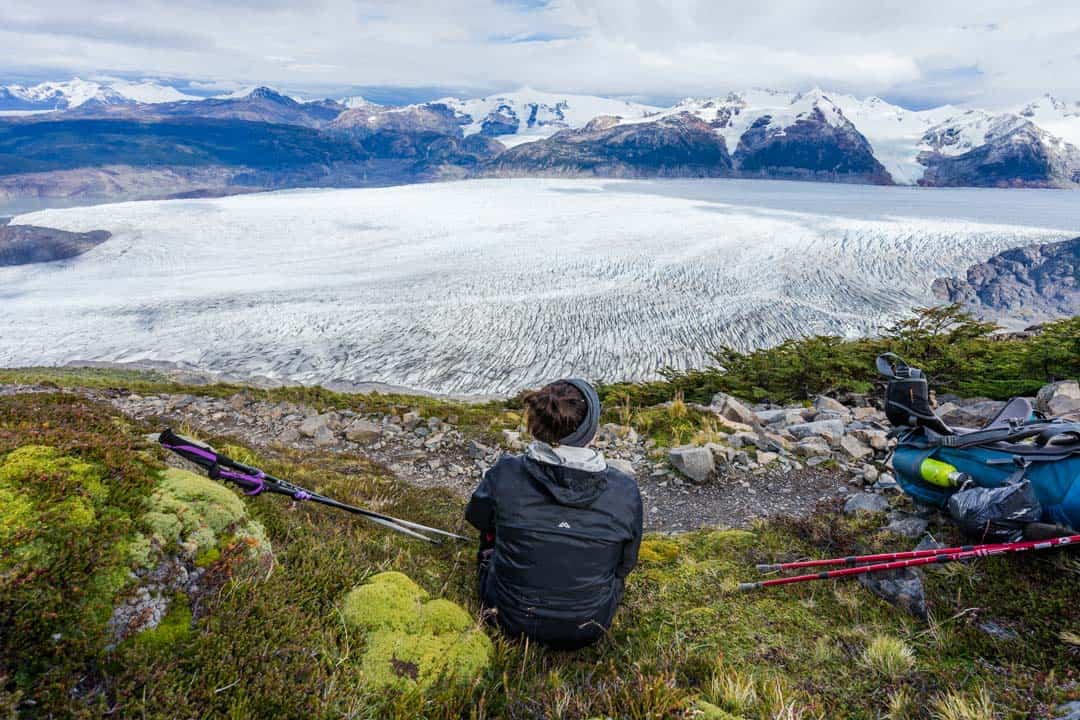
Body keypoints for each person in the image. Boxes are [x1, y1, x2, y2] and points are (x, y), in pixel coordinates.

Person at [464, 378, 643, 650]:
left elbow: (477, 518)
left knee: (492, 534)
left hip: (509, 616)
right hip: (589, 624)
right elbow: (624, 565)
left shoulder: (506, 473)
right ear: (590, 433)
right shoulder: (625, 490)